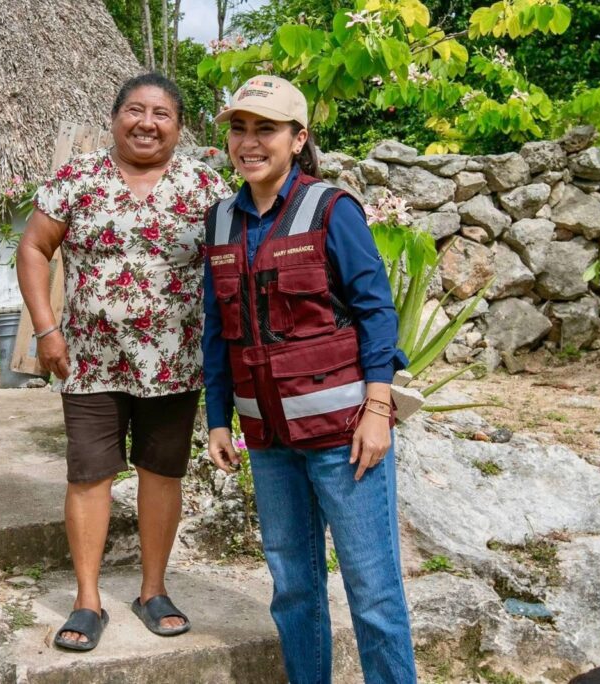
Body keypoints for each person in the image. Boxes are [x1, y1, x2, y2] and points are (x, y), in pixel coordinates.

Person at [201, 76, 417, 683]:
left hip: (343, 436)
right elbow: (218, 330)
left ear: (298, 139)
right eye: (239, 128)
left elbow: (376, 312)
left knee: (374, 596)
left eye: (265, 129)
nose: (249, 141)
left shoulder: (331, 209)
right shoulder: (221, 223)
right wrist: (219, 418)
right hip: (268, 442)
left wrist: (379, 410)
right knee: (293, 590)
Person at [17, 73, 229, 651]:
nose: (147, 122)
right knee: (89, 475)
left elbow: (232, 266)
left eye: (162, 114)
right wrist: (46, 329)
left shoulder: (204, 187)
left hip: (175, 361)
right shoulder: (77, 180)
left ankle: (152, 590)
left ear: (179, 128)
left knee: (163, 473)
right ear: (114, 118)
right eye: (135, 110)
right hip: (88, 360)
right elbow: (34, 247)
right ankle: (87, 600)